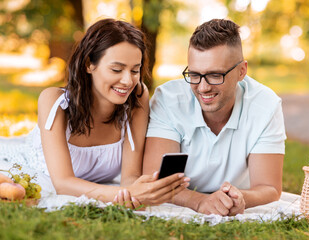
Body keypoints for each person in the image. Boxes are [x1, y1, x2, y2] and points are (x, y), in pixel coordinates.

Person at [0, 18, 189, 207]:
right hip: (25, 172)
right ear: (89, 64)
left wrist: (143, 190)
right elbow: (63, 183)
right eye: (116, 69)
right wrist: (126, 193)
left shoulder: (137, 97)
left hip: (95, 188)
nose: (127, 81)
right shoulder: (54, 101)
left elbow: (129, 178)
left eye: (135, 70)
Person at [142, 19, 286, 216]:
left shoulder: (266, 105)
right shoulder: (169, 100)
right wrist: (199, 201)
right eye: (194, 74)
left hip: (235, 194)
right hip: (181, 201)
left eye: (215, 75)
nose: (203, 88)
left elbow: (269, 187)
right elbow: (155, 179)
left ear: (241, 71)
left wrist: (240, 199)